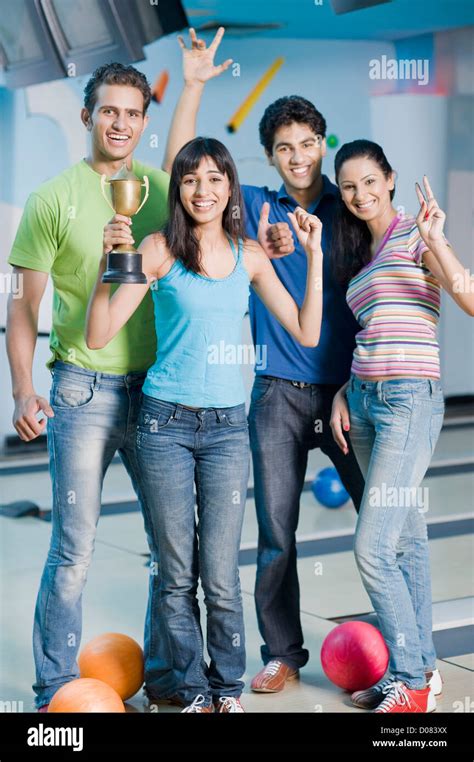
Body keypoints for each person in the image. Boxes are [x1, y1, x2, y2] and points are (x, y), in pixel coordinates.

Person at [5, 27, 232, 711]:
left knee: (173, 552)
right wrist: (22, 387)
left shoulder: (165, 189)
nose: (121, 123)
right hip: (82, 390)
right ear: (87, 116)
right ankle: (55, 687)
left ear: (143, 119)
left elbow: (193, 166)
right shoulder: (53, 200)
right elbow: (23, 305)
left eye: (133, 112)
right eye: (109, 110)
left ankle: (164, 676)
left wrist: (191, 84)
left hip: (161, 395)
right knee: (73, 548)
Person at [85, 136, 324, 712]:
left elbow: (307, 331)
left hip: (224, 431)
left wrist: (314, 259)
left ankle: (227, 689)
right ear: (178, 189)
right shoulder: (158, 250)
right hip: (164, 425)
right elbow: (99, 333)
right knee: (174, 574)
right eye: (191, 179)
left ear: (230, 187)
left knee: (219, 576)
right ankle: (192, 691)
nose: (203, 190)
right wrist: (107, 262)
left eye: (216, 178)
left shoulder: (250, 257)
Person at [161, 74, 365, 692]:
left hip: (346, 396)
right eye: (284, 147)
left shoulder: (351, 207)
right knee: (277, 531)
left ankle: (406, 652)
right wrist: (192, 86)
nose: (298, 155)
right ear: (270, 156)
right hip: (274, 391)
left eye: (307, 143)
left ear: (323, 144)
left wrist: (354, 386)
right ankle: (282, 653)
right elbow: (182, 168)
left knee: (382, 523)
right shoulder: (252, 206)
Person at [329, 139, 474, 713]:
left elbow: (468, 298)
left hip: (410, 403)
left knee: (373, 545)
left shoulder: (417, 233)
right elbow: (376, 332)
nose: (360, 194)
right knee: (408, 540)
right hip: (363, 402)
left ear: (389, 179)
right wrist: (345, 389)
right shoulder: (360, 250)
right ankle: (425, 672)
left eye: (369, 181)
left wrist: (438, 240)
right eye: (348, 186)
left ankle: (409, 680)